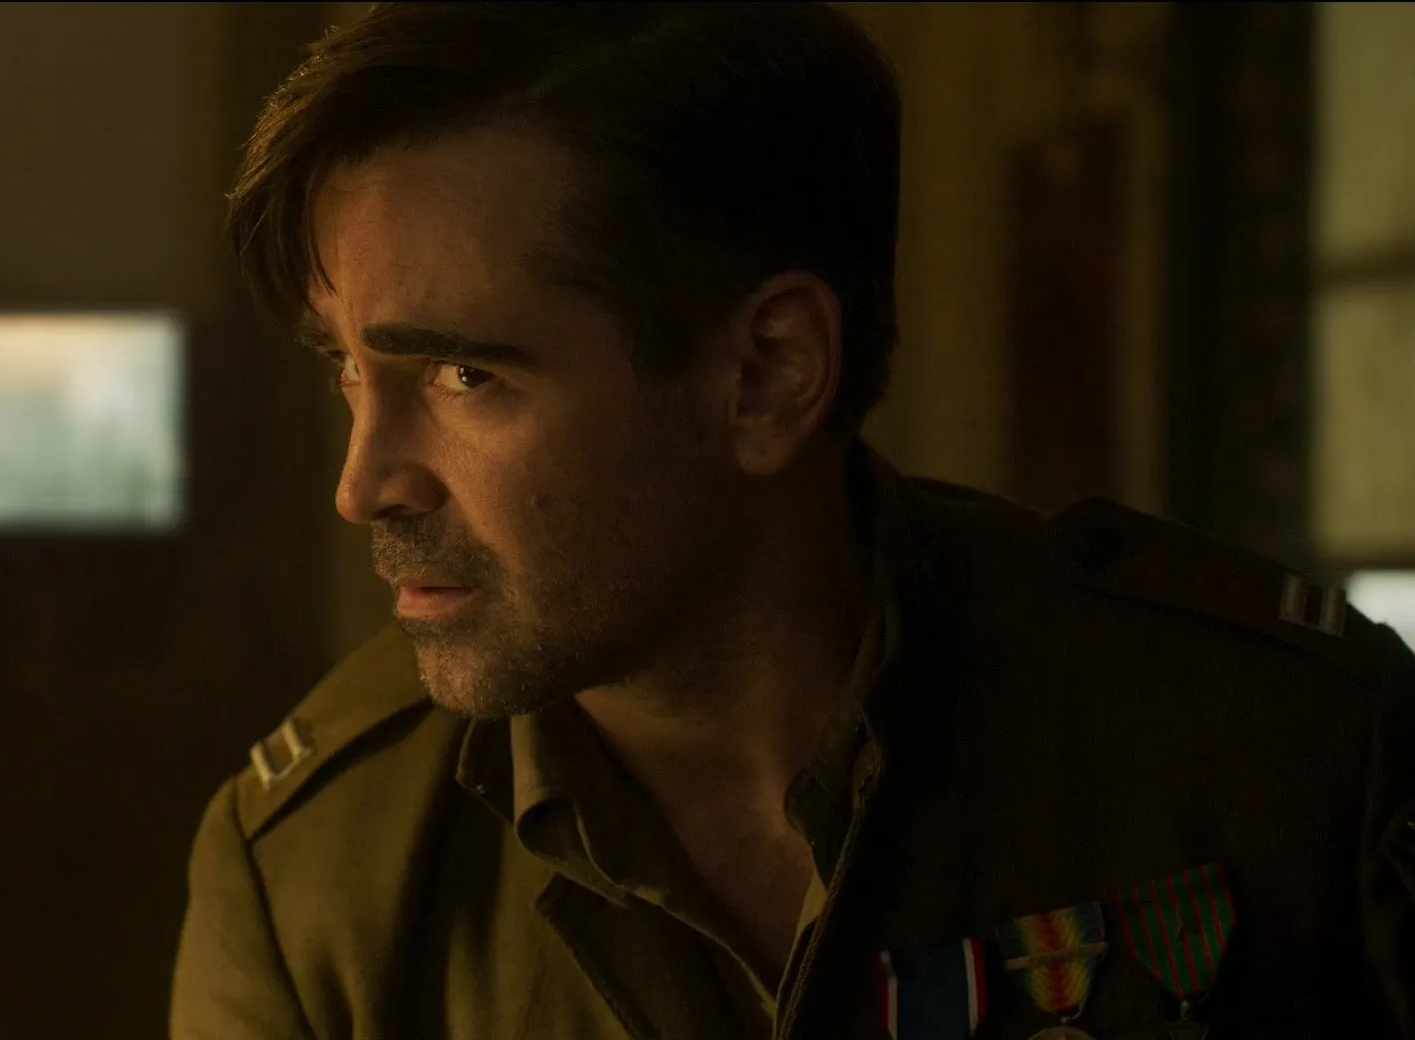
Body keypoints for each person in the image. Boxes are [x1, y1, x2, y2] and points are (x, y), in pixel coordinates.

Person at [170, 4, 1415, 1037]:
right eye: (347, 370)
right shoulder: (315, 877)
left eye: (462, 375)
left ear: (768, 374)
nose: (365, 484)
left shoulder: (1277, 746)